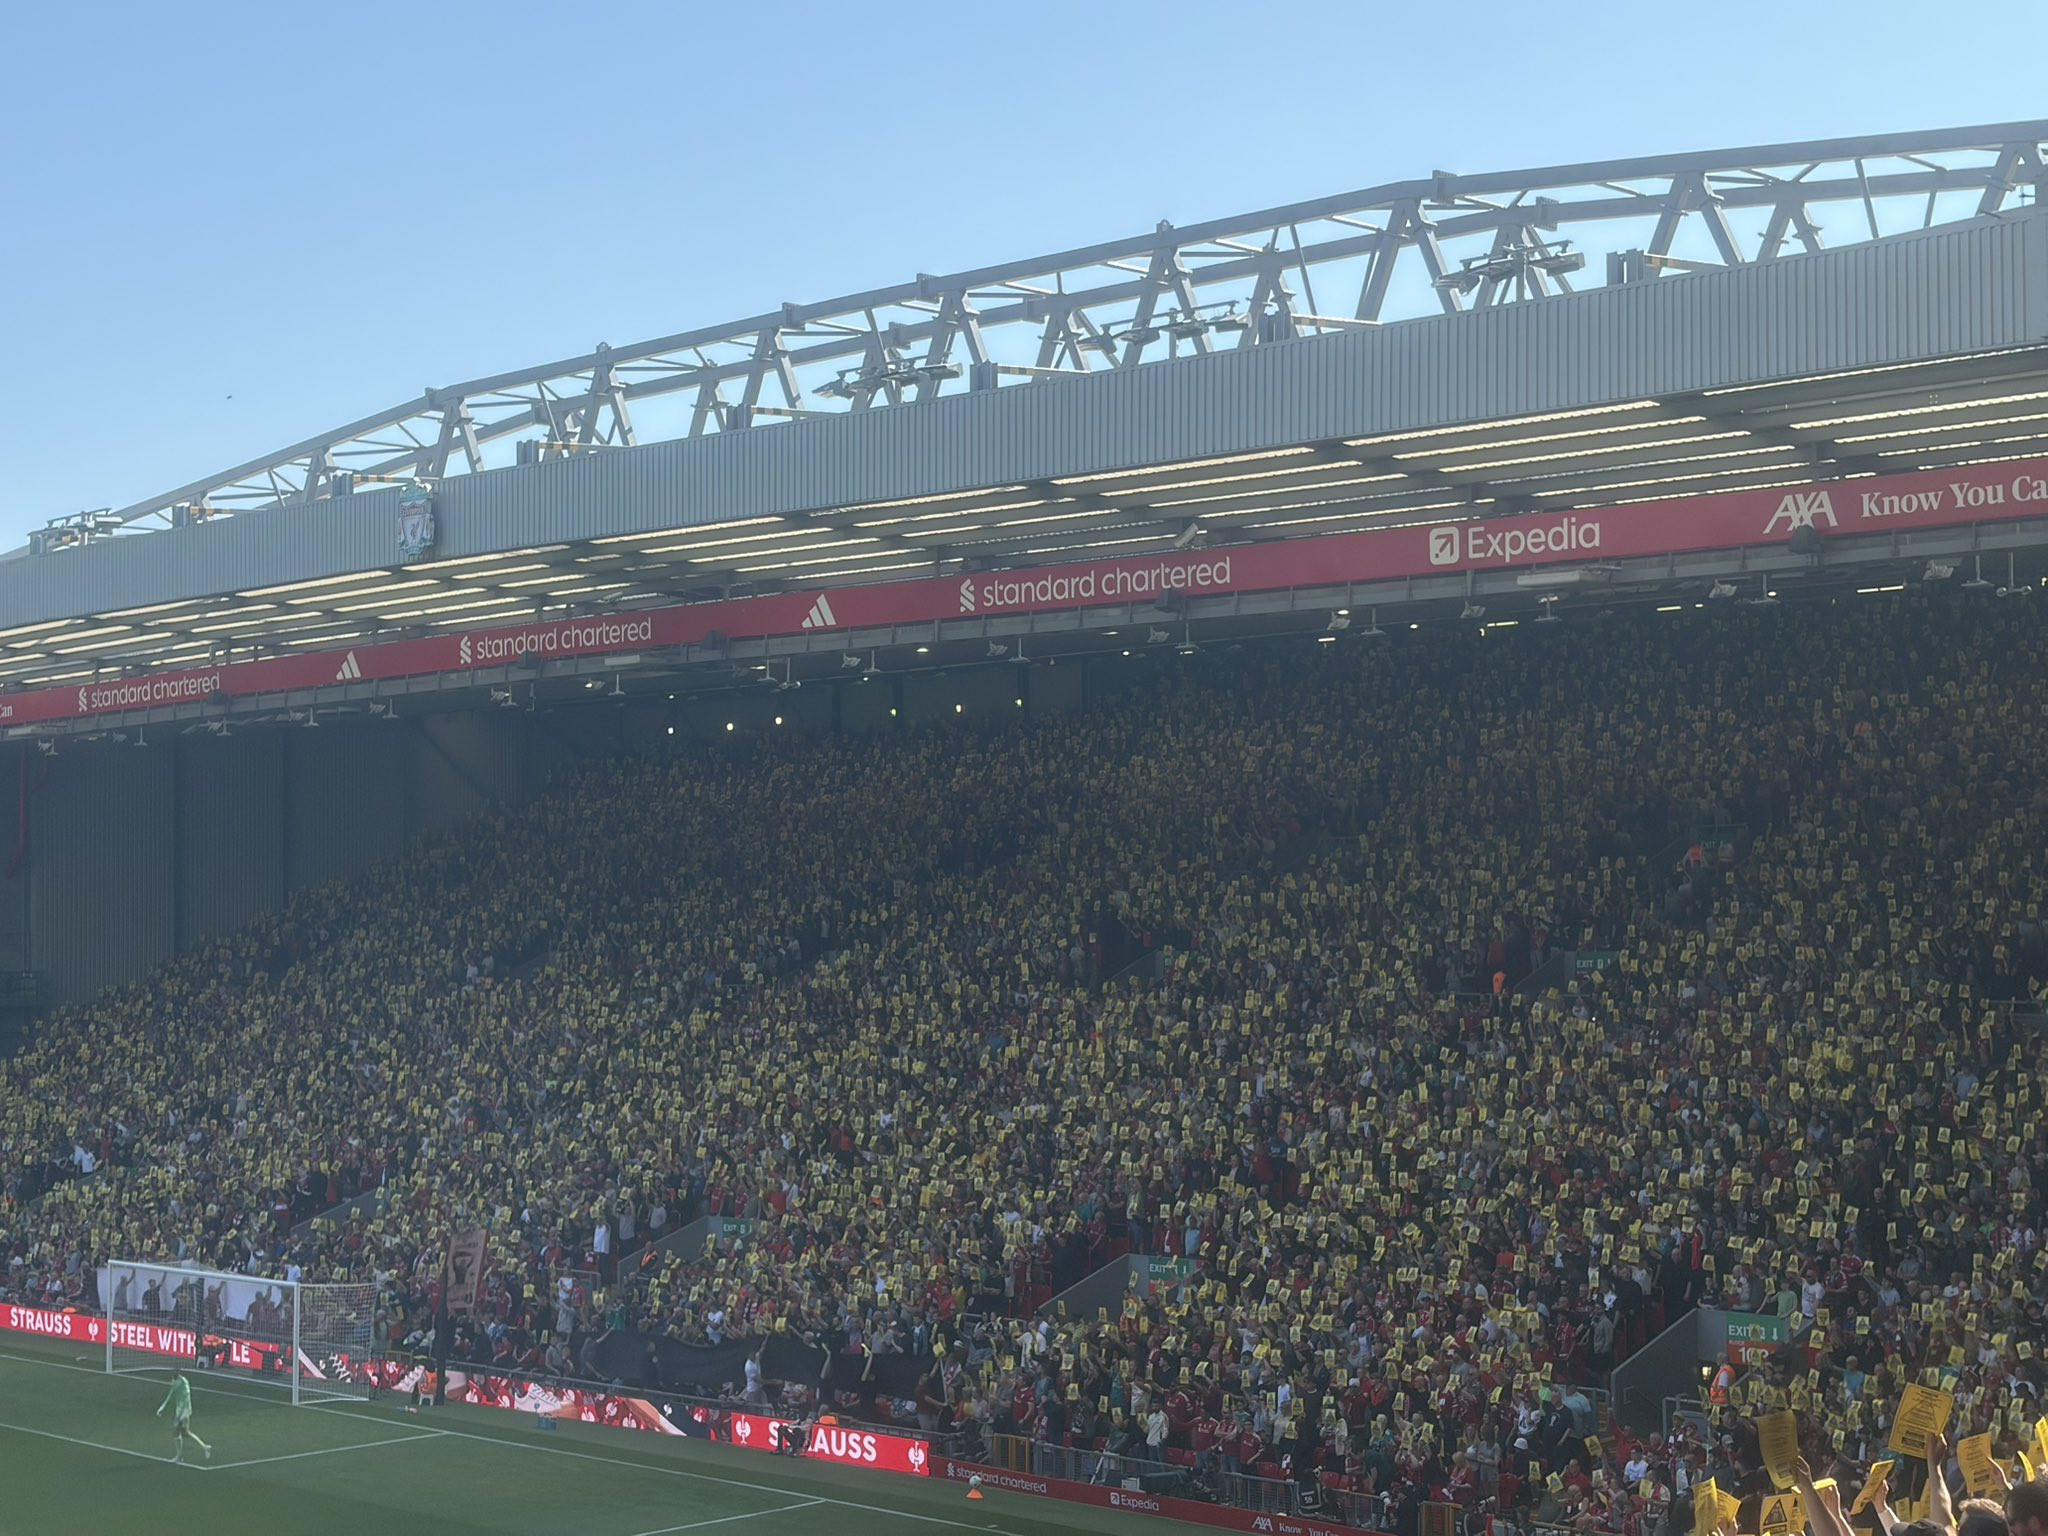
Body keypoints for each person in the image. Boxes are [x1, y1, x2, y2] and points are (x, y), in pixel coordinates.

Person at [155, 1369, 211, 1462]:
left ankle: (180, 1456)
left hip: (184, 1411)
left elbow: (186, 1398)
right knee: (185, 1432)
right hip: (179, 1411)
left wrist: (183, 1414)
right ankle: (204, 1447)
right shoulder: (175, 1381)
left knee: (178, 1432)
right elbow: (171, 1395)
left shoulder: (184, 1382)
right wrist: (162, 1407)